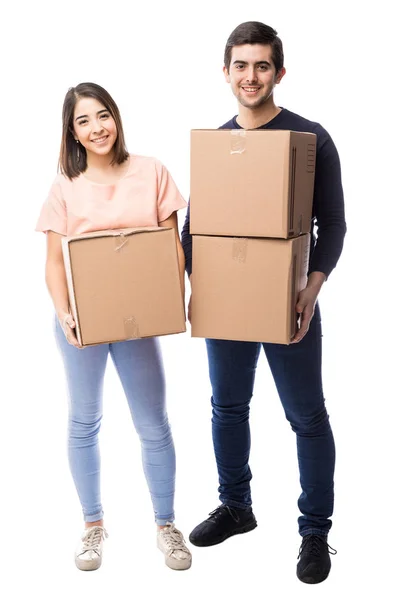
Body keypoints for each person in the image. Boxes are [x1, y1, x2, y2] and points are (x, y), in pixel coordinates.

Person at [181, 22, 346, 584]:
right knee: (226, 407)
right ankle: (236, 507)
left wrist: (311, 288)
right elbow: (195, 228)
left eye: (261, 66)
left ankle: (315, 533)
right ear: (225, 71)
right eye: (240, 66)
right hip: (228, 303)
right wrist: (191, 287)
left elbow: (334, 227)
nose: (250, 77)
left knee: (306, 417)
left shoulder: (309, 139)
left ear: (279, 71)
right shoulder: (217, 145)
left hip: (288, 303)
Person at [36, 82, 192, 572]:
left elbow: (172, 246)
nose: (96, 128)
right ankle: (92, 526)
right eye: (83, 121)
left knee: (153, 423)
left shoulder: (151, 172)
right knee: (84, 421)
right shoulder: (66, 186)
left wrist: (172, 301)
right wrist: (65, 315)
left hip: (138, 323)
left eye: (103, 115)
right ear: (72, 132)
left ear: (116, 118)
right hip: (82, 321)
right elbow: (55, 264)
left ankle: (167, 526)